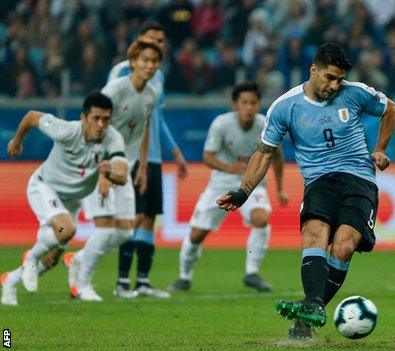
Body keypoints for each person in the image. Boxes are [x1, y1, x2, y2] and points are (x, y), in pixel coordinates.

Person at [217, 43, 395, 339]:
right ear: (313, 70)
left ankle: (310, 311)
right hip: (318, 181)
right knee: (314, 235)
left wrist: (380, 148)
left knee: (343, 246)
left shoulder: (355, 93)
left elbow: (390, 108)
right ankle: (313, 304)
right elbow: (264, 153)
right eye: (329, 77)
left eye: (339, 79)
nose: (334, 85)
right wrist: (243, 190)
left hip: (359, 179)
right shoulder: (285, 106)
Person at [1, 92, 127, 306]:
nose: (100, 124)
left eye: (105, 119)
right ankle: (30, 257)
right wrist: (17, 140)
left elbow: (122, 175)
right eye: (95, 118)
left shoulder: (113, 138)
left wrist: (111, 173)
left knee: (50, 260)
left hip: (71, 200)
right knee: (66, 230)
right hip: (44, 187)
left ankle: (9, 281)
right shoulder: (66, 130)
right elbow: (32, 116)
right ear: (84, 117)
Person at [63, 38, 162, 302]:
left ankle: (79, 259)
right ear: (132, 62)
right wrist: (102, 173)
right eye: (145, 60)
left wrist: (140, 166)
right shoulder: (115, 90)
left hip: (125, 166)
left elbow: (143, 129)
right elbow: (95, 126)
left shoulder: (151, 94)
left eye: (155, 62)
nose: (150, 66)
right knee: (107, 229)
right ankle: (82, 285)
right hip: (99, 163)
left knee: (125, 231)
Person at [169, 81, 287, 293]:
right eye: (244, 102)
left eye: (253, 102)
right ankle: (183, 277)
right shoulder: (221, 124)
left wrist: (279, 188)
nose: (249, 107)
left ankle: (252, 273)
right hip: (221, 184)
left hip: (251, 184)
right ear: (235, 104)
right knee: (197, 234)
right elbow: (207, 156)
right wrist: (230, 168)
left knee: (261, 218)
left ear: (259, 104)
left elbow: (277, 157)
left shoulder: (265, 125)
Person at [107, 21, 188, 299]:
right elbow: (108, 115)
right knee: (134, 215)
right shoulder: (121, 72)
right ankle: (121, 282)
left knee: (149, 217)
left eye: (161, 40)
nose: (157, 43)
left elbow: (157, 119)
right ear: (138, 42)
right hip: (128, 155)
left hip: (151, 155)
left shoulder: (158, 78)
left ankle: (142, 281)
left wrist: (174, 150)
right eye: (152, 38)